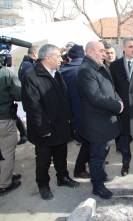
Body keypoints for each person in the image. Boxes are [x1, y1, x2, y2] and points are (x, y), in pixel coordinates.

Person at [22, 44, 79, 200]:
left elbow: (63, 98)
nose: (61, 59)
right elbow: (33, 107)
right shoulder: (31, 76)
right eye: (58, 56)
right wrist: (43, 129)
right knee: (43, 160)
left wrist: (69, 119)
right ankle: (43, 185)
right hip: (44, 130)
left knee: (61, 155)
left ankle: (63, 178)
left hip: (60, 126)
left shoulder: (56, 73)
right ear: (47, 58)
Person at [77, 41, 123, 199]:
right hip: (97, 122)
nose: (104, 54)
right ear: (90, 51)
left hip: (106, 119)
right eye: (101, 51)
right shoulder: (86, 70)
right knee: (97, 156)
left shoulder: (100, 66)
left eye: (104, 51)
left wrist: (119, 100)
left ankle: (101, 175)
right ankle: (97, 186)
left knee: (104, 152)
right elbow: (95, 97)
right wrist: (117, 106)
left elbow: (111, 89)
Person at [110, 37, 133, 177]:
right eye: (131, 46)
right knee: (124, 139)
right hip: (123, 108)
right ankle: (125, 164)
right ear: (124, 48)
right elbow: (112, 88)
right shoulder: (115, 66)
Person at [60, 44, 90, 179]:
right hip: (85, 113)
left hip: (69, 115)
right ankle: (79, 169)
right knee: (88, 142)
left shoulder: (61, 71)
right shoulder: (84, 69)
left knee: (86, 141)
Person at [0, 65, 22, 196]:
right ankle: (4, 184)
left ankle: (4, 175)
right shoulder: (5, 73)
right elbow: (19, 95)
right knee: (7, 151)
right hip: (3, 119)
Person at [16, 46, 39, 145]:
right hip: (32, 101)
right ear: (34, 53)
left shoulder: (25, 64)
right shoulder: (29, 66)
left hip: (29, 100)